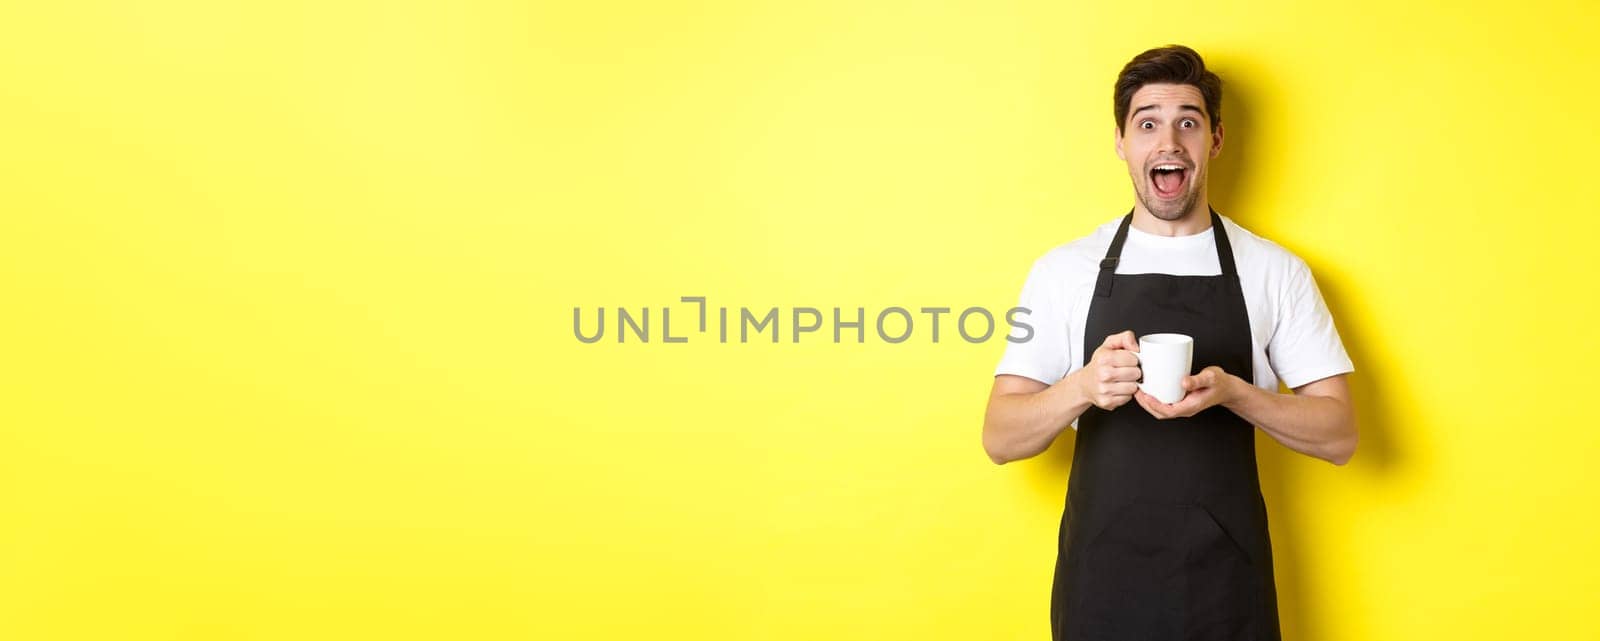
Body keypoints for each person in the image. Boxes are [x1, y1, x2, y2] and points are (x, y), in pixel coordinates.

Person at [981, 45, 1358, 641]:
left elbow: (1340, 436)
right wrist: (1082, 386)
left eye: (1189, 121)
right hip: (1101, 584)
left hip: (1227, 587)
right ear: (1121, 142)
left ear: (1215, 139)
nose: (1169, 141)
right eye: (1147, 123)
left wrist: (1235, 393)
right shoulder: (1063, 271)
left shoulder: (1274, 271)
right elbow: (1000, 438)